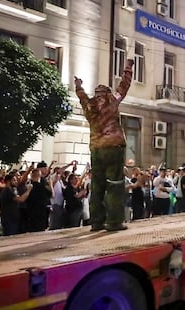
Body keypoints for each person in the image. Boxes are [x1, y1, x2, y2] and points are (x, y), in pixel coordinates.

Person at [74, 59, 134, 231]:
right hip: (113, 146)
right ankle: (114, 222)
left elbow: (81, 95)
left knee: (97, 184)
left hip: (96, 148)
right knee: (114, 184)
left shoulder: (88, 104)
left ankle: (96, 222)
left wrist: (78, 85)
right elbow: (124, 86)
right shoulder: (111, 100)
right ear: (107, 93)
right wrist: (128, 67)